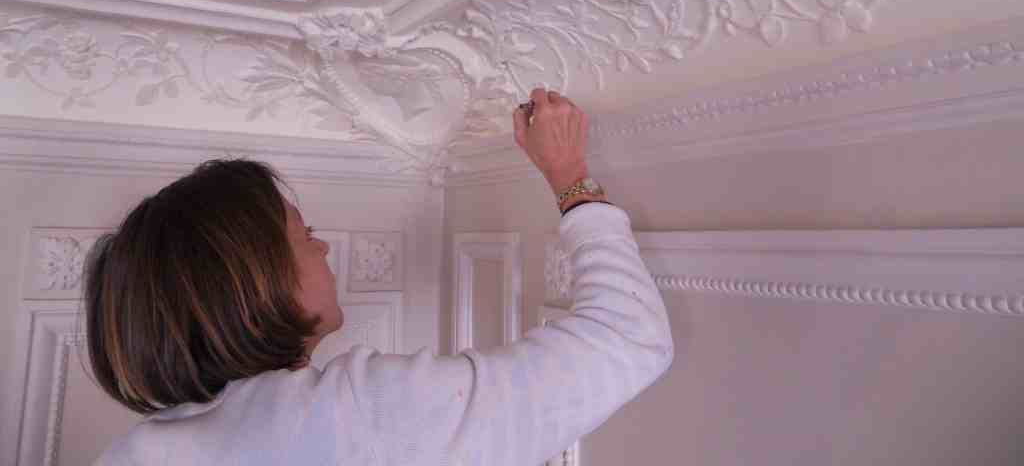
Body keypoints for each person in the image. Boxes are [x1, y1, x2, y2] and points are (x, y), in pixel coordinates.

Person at [87, 87, 674, 465]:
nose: (322, 249)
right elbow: (627, 338)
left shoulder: (140, 450)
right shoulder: (351, 414)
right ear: (249, 282)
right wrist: (570, 178)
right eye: (302, 234)